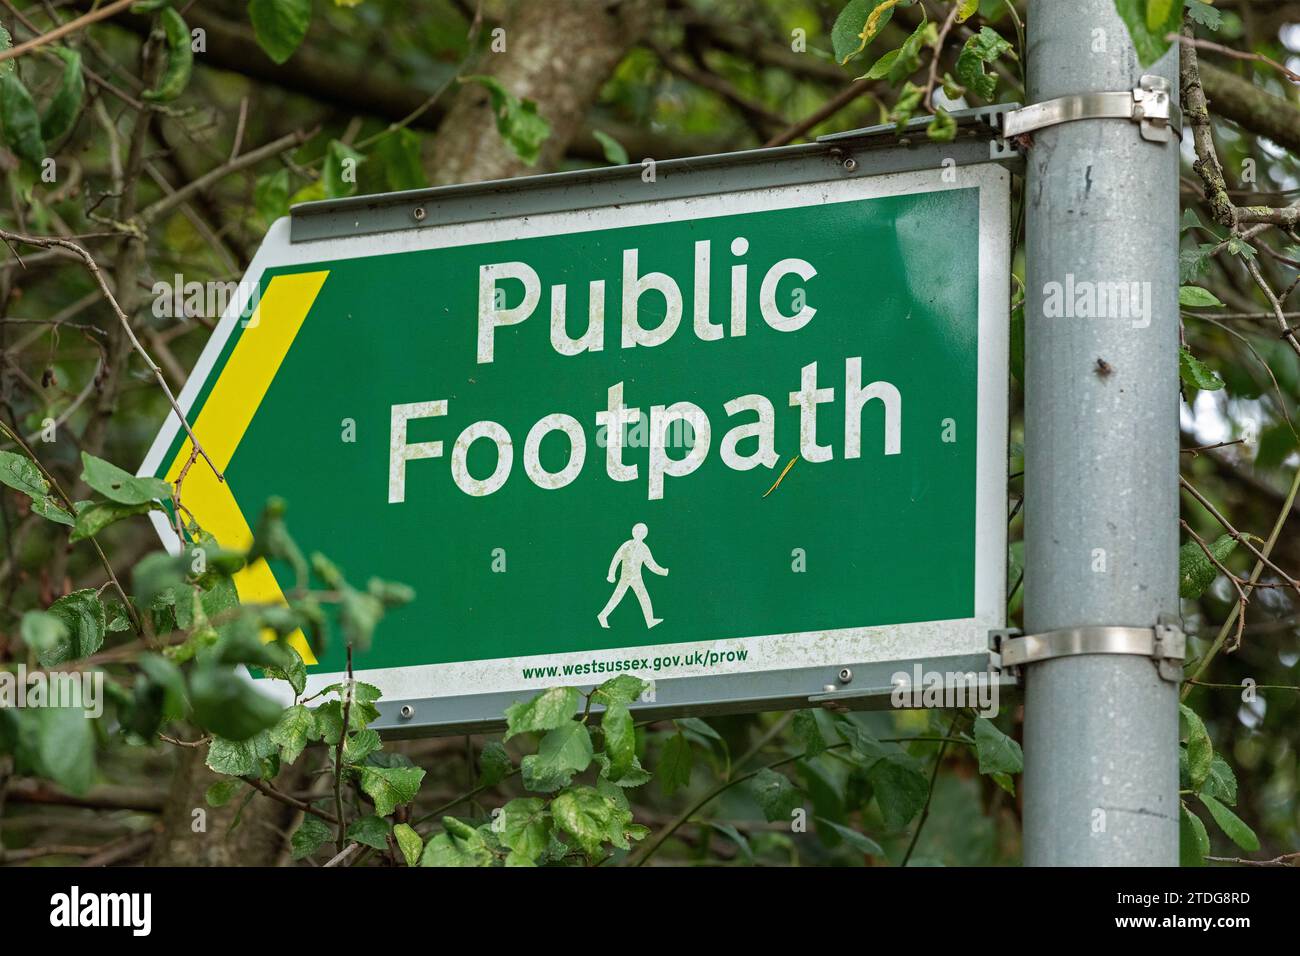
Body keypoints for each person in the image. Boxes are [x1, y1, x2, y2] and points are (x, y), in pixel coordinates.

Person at [597, 522, 668, 628]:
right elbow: (616, 558)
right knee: (616, 598)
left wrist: (664, 571)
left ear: (645, 534)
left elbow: (651, 564)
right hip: (625, 577)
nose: (639, 533)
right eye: (637, 531)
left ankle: (650, 620)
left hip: (637, 579)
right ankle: (602, 615)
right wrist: (611, 574)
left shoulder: (644, 548)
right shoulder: (627, 545)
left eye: (642, 532)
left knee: (644, 598)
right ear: (633, 532)